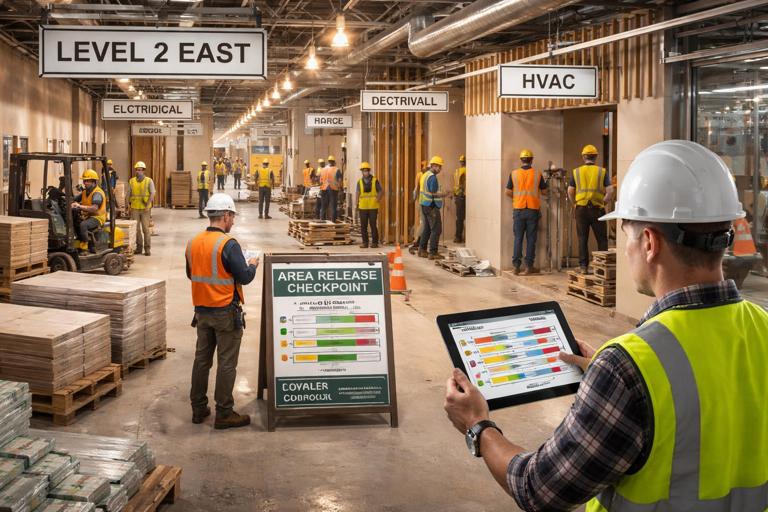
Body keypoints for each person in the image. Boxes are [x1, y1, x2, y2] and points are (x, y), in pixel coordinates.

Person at [443, 140, 768, 512]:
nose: (623, 247)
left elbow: (540, 488)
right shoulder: (762, 326)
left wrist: (478, 426)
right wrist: (609, 370)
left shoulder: (628, 368)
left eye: (624, 233)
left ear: (648, 242)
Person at [186, 193, 258, 430]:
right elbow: (244, 277)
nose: (233, 222)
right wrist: (253, 265)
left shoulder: (193, 242)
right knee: (227, 363)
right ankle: (224, 412)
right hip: (225, 312)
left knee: (201, 360)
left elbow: (191, 274)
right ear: (225, 215)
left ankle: (198, 409)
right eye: (232, 217)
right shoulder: (229, 244)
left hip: (201, 311)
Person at [568, 144, 615, 273]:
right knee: (602, 239)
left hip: (581, 209)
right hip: (597, 209)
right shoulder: (602, 171)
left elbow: (570, 190)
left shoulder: (576, 171)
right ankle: (601, 268)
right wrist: (604, 202)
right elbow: (610, 191)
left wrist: (574, 203)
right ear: (596, 157)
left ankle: (583, 267)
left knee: (582, 238)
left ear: (583, 157)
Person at [505, 149, 548, 275]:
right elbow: (545, 191)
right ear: (531, 160)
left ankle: (516, 267)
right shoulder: (537, 174)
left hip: (518, 209)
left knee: (518, 238)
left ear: (521, 160)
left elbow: (507, 192)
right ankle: (529, 266)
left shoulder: (514, 173)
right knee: (531, 239)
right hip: (532, 210)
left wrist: (518, 198)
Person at [419, 156, 450, 260]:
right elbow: (433, 193)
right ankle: (433, 252)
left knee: (427, 229)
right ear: (433, 165)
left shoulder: (425, 175)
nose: (440, 169)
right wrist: (444, 194)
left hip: (425, 205)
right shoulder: (432, 177)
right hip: (431, 206)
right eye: (438, 166)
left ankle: (422, 250)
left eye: (440, 167)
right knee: (436, 229)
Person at [71, 169, 106, 251]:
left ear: (94, 182)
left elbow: (94, 208)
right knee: (74, 222)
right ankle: (79, 240)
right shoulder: (85, 192)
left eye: (88, 181)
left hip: (98, 217)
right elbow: (74, 199)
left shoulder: (97, 193)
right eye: (84, 181)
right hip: (88, 216)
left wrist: (79, 206)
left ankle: (85, 245)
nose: (85, 183)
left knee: (83, 225)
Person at [127, 161, 155, 256]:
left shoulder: (149, 180)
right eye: (137, 170)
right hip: (134, 207)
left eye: (140, 170)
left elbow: (152, 193)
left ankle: (147, 249)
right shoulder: (132, 181)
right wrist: (127, 205)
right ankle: (139, 248)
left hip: (145, 209)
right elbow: (128, 194)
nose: (138, 172)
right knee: (136, 229)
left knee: (145, 229)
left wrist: (148, 205)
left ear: (143, 171)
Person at [355, 162, 383, 249]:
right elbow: (357, 193)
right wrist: (356, 204)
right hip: (363, 207)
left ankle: (374, 242)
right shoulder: (359, 182)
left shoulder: (375, 180)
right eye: (364, 171)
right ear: (362, 172)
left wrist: (377, 200)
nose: (365, 172)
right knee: (363, 225)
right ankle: (365, 243)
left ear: (369, 171)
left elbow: (381, 191)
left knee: (373, 225)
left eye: (366, 170)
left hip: (373, 207)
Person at [409, 160, 428, 254]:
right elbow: (416, 188)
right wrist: (414, 198)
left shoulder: (426, 175)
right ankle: (417, 241)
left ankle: (419, 241)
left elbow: (416, 189)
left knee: (424, 222)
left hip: (425, 202)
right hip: (423, 202)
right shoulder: (420, 175)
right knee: (423, 222)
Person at [320, 155, 342, 222]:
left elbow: (320, 180)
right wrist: (340, 187)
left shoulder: (323, 169)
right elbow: (340, 180)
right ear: (334, 161)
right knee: (333, 207)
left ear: (328, 161)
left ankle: (322, 221)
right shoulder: (336, 169)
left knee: (323, 206)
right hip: (333, 189)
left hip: (324, 189)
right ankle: (333, 221)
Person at [453, 155, 467, 244]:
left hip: (457, 196)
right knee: (462, 218)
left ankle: (458, 236)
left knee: (459, 218)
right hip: (463, 196)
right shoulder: (466, 171)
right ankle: (460, 237)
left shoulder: (457, 171)